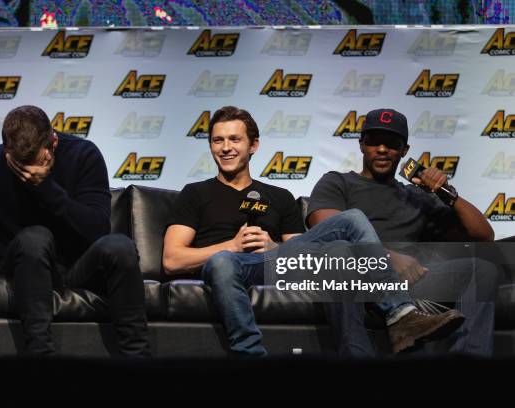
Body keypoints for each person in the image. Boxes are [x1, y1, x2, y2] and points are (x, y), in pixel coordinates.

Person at [162, 105, 463, 357]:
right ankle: (250, 355)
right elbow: (172, 260)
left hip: (272, 264)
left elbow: (308, 259)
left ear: (253, 145)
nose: (226, 148)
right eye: (218, 141)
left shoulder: (279, 196)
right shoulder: (195, 193)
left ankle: (401, 315)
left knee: (353, 218)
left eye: (234, 139)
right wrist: (231, 245)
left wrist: (273, 248)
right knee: (222, 262)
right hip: (226, 265)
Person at [0, 105, 150, 357]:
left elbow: (97, 228)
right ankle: (40, 360)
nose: (27, 173)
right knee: (36, 237)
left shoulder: (83, 154)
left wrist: (46, 188)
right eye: (18, 166)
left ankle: (138, 360)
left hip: (79, 266)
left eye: (36, 163)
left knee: (119, 245)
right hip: (25, 264)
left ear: (52, 142)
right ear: (6, 152)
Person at [307, 108, 500, 357]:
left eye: (391, 144)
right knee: (337, 250)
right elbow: (327, 227)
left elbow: (484, 235)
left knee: (481, 269)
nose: (382, 149)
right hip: (356, 280)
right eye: (374, 142)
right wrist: (387, 258)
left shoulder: (417, 196)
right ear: (362, 145)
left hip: (411, 282)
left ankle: (467, 364)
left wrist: (446, 193)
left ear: (405, 150)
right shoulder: (338, 182)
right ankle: (356, 358)